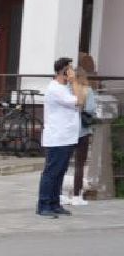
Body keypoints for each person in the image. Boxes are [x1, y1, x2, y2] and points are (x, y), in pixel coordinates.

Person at [37, 57, 80, 219]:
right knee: (51, 172)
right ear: (63, 71)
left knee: (60, 172)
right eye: (70, 69)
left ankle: (55, 203)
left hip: (67, 136)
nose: (73, 71)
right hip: (57, 137)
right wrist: (74, 81)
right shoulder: (55, 88)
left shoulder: (65, 88)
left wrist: (72, 83)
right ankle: (44, 204)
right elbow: (79, 101)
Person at [67, 64, 100, 207]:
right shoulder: (87, 90)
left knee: (64, 163)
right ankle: (76, 195)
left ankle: (61, 194)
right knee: (79, 165)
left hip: (67, 131)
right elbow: (92, 109)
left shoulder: (66, 90)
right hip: (82, 132)